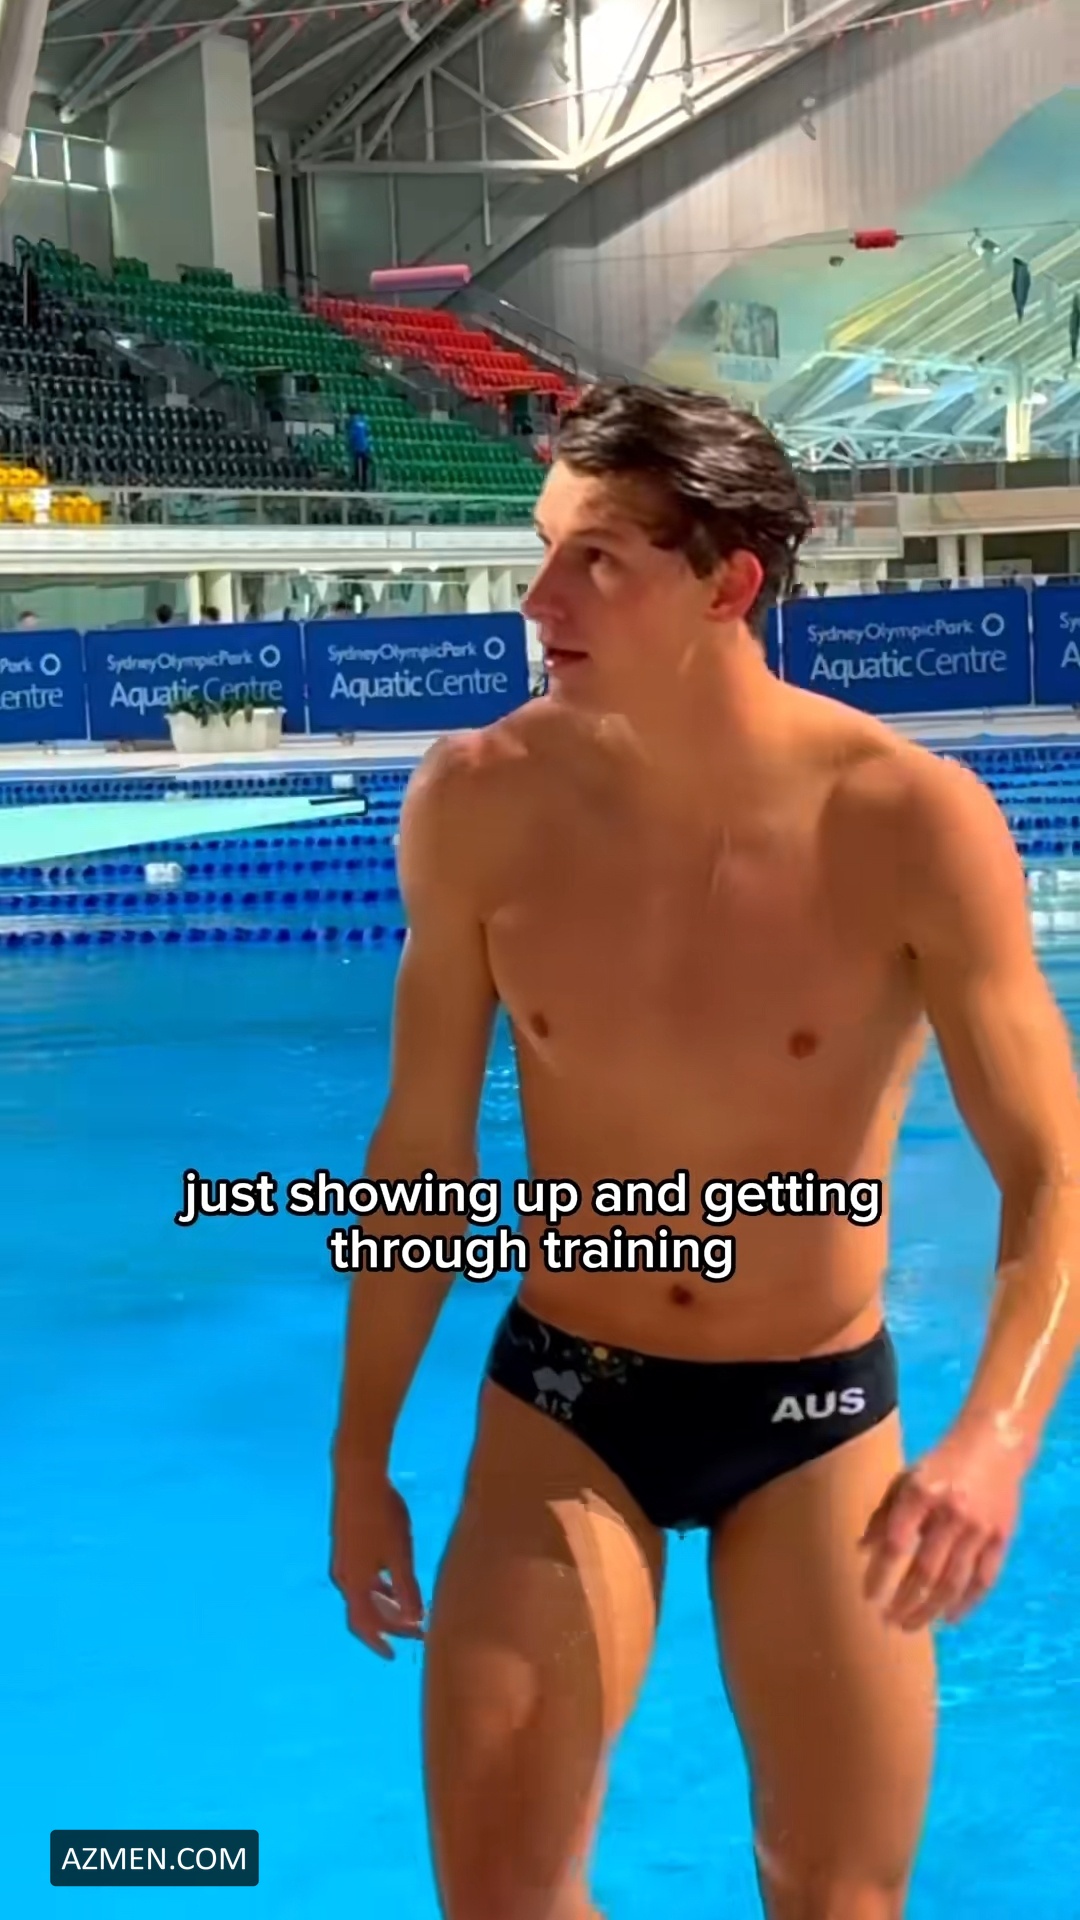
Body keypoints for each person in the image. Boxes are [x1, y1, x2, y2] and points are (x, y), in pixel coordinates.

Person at [329, 381, 1080, 1920]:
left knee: (834, 1898)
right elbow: (420, 1162)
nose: (538, 601)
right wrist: (360, 1455)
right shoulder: (477, 805)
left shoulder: (909, 823)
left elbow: (1056, 1174)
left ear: (726, 584)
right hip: (565, 1401)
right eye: (544, 550)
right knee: (500, 1899)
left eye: (596, 560)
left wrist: (997, 1438)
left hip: (812, 1419)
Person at [347, 412, 373, 491]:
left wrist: (350, 446)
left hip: (358, 448)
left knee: (358, 467)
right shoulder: (364, 423)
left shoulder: (353, 424)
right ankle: (363, 484)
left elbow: (352, 437)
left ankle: (357, 483)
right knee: (363, 467)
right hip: (364, 448)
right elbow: (368, 435)